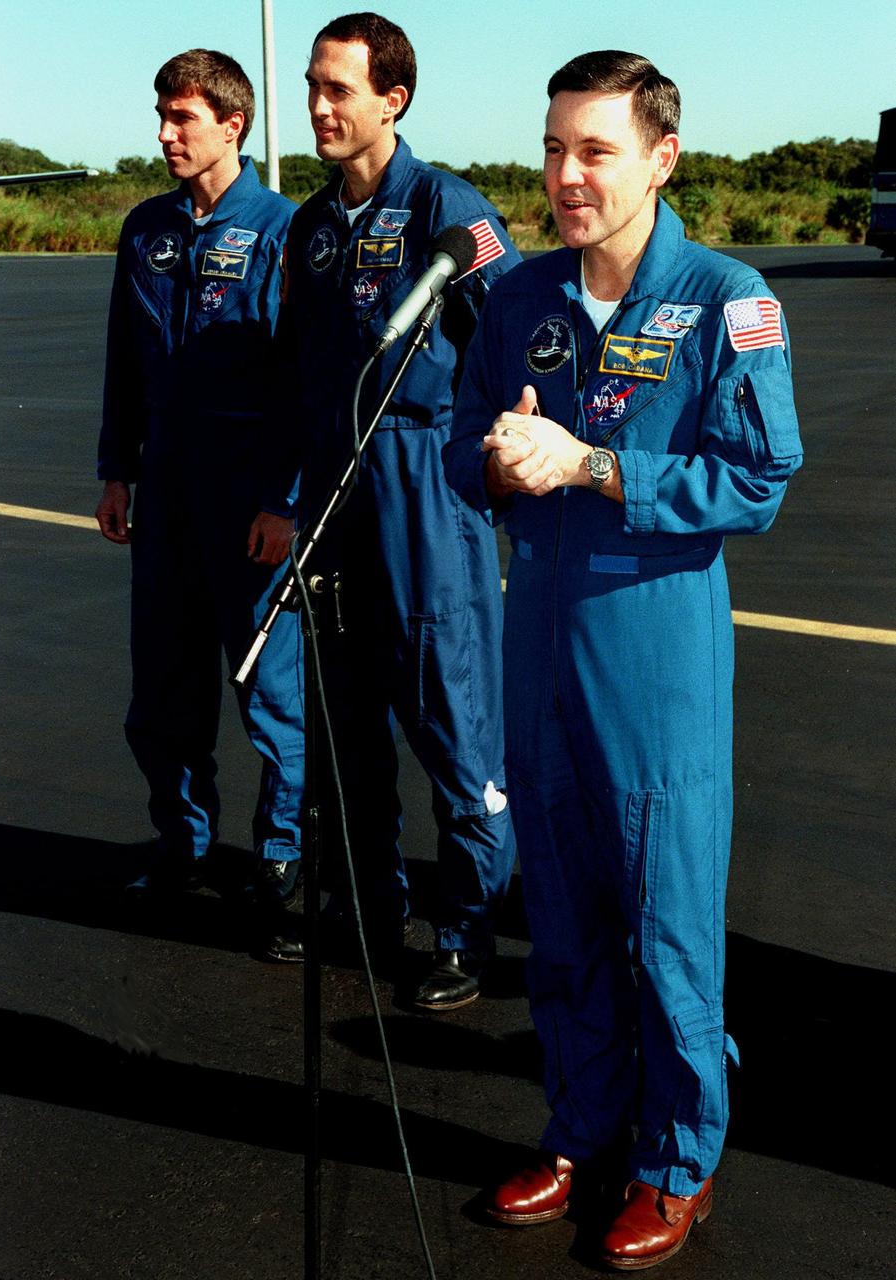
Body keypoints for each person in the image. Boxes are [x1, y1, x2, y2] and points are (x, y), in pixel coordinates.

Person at [445, 51, 802, 1268]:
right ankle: (580, 1124)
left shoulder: (722, 296)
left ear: (660, 158)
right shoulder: (516, 298)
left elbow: (757, 479)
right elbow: (459, 447)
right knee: (558, 911)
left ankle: (674, 1158)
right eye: (552, 148)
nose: (564, 176)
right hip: (534, 640)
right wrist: (492, 461)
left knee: (663, 923)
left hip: (654, 655)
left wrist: (596, 466)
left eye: (593, 150)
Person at [280, 12, 520, 1009]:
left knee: (453, 715)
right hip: (334, 496)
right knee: (347, 721)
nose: (320, 107)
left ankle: (464, 930)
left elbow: (510, 336)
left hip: (425, 489)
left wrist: (497, 452)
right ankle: (368, 904)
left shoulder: (444, 205)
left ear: (392, 99)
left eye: (339, 89)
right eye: (312, 87)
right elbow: (297, 374)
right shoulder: (308, 226)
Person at [95, 49, 304, 946]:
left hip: (249, 499)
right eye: (161, 115)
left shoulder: (288, 231)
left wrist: (284, 499)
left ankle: (282, 858)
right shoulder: (146, 229)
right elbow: (123, 364)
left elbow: (304, 381)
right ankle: (182, 841)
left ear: (233, 124)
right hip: (167, 496)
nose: (164, 134)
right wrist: (118, 470)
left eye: (182, 118)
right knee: (164, 686)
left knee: (271, 690)